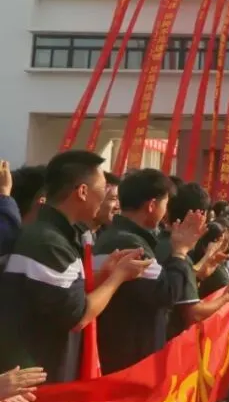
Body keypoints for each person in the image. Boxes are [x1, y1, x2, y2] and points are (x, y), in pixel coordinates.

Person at [0, 150, 150, 383]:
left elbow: (62, 293)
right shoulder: (48, 242)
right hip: (36, 378)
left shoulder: (59, 235)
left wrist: (105, 274)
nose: (110, 199)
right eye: (103, 189)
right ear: (82, 191)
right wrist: (118, 277)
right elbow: (77, 316)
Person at [92, 169, 207, 374]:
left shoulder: (119, 236)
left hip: (124, 350)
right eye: (165, 204)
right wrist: (180, 252)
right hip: (130, 356)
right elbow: (167, 292)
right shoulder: (130, 243)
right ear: (152, 206)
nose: (167, 211)